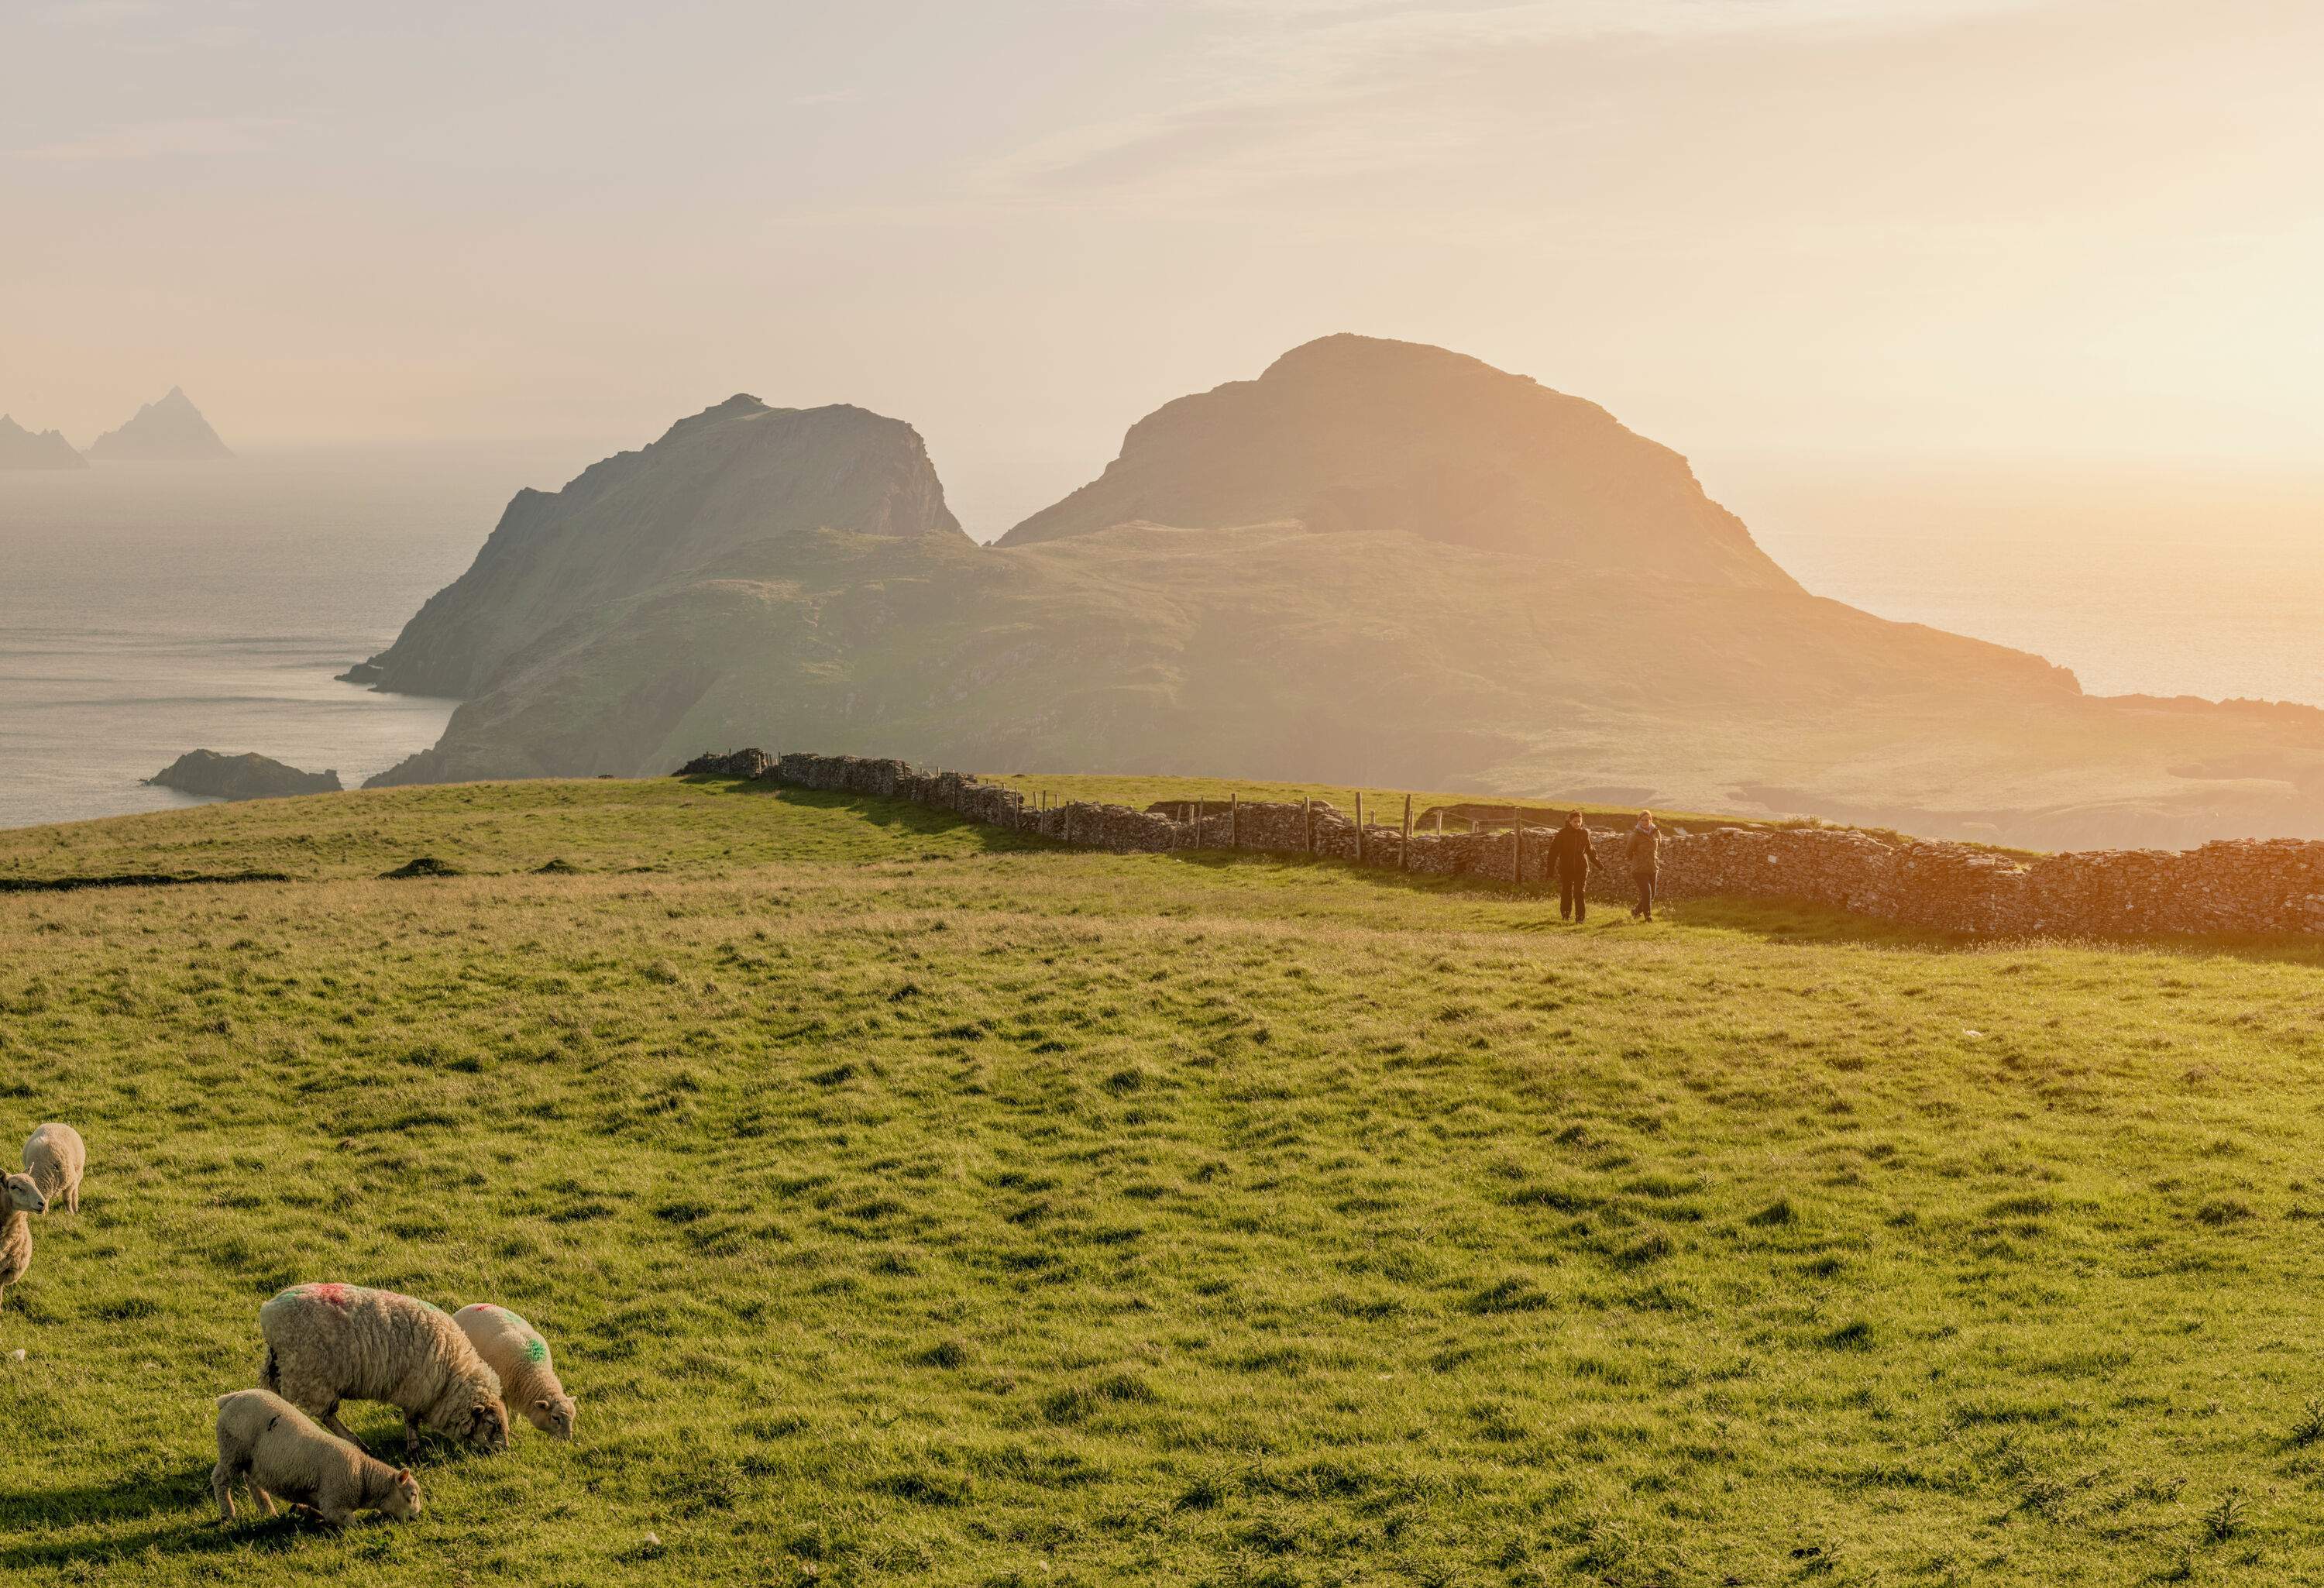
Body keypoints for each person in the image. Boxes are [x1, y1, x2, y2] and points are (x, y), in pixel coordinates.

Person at [1546, 809, 1595, 922]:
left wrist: (1599, 864)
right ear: (1570, 821)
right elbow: (1553, 852)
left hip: (1582, 868)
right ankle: (1565, 915)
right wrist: (1550, 870)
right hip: (1566, 868)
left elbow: (1590, 850)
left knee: (1579, 893)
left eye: (1579, 822)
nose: (1577, 824)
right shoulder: (1562, 834)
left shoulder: (1585, 833)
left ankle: (1580, 919)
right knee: (1566, 891)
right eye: (1575, 822)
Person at [1626, 809, 1660, 919]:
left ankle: (1636, 911)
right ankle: (1648, 917)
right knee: (1647, 893)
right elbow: (1628, 852)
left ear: (1651, 820)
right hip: (1639, 869)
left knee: (1652, 895)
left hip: (1653, 867)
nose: (1645, 822)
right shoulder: (1635, 835)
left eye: (1647, 820)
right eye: (1642, 820)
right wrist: (1638, 860)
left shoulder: (1656, 832)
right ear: (1639, 821)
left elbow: (1659, 844)